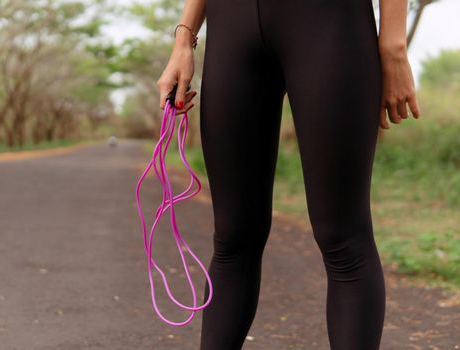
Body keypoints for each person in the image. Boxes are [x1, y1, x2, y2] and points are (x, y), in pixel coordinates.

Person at [157, 0, 420, 349]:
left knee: (343, 239)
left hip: (327, 20)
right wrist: (183, 39)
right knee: (233, 237)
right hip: (231, 25)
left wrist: (393, 44)